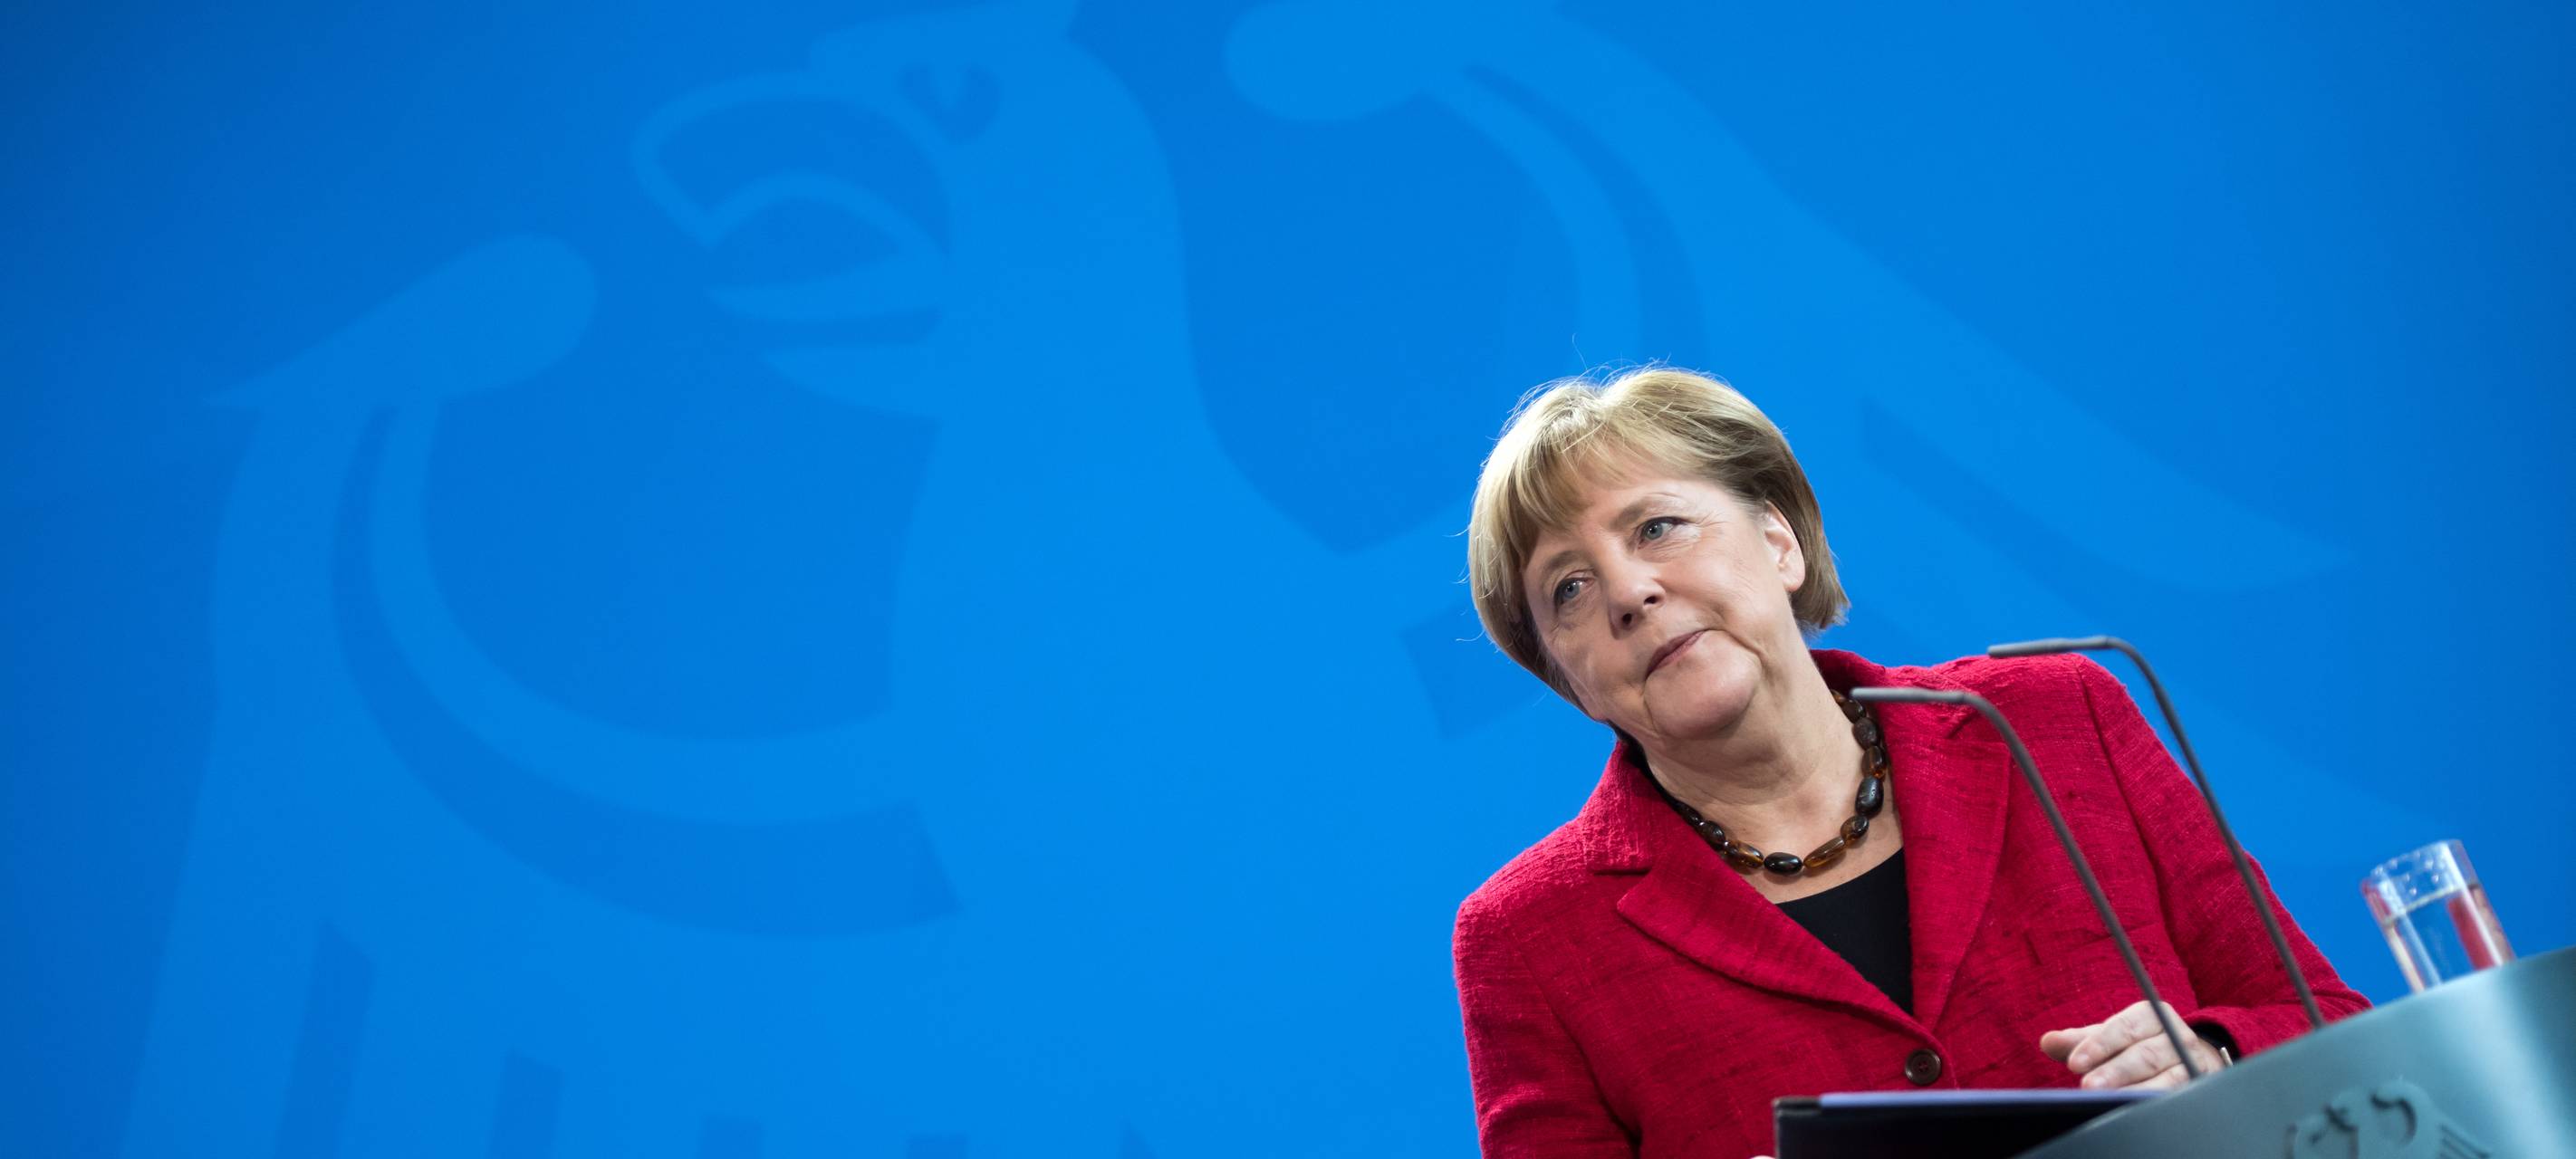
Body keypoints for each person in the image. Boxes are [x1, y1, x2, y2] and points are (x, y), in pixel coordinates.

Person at [1453, 368, 2368, 1158]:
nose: (1627, 589)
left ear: (1778, 542)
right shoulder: (1527, 940)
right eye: (1568, 587)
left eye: (1656, 527)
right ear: (1566, 675)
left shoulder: (2055, 719)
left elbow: (2333, 1026)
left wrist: (2218, 1057)